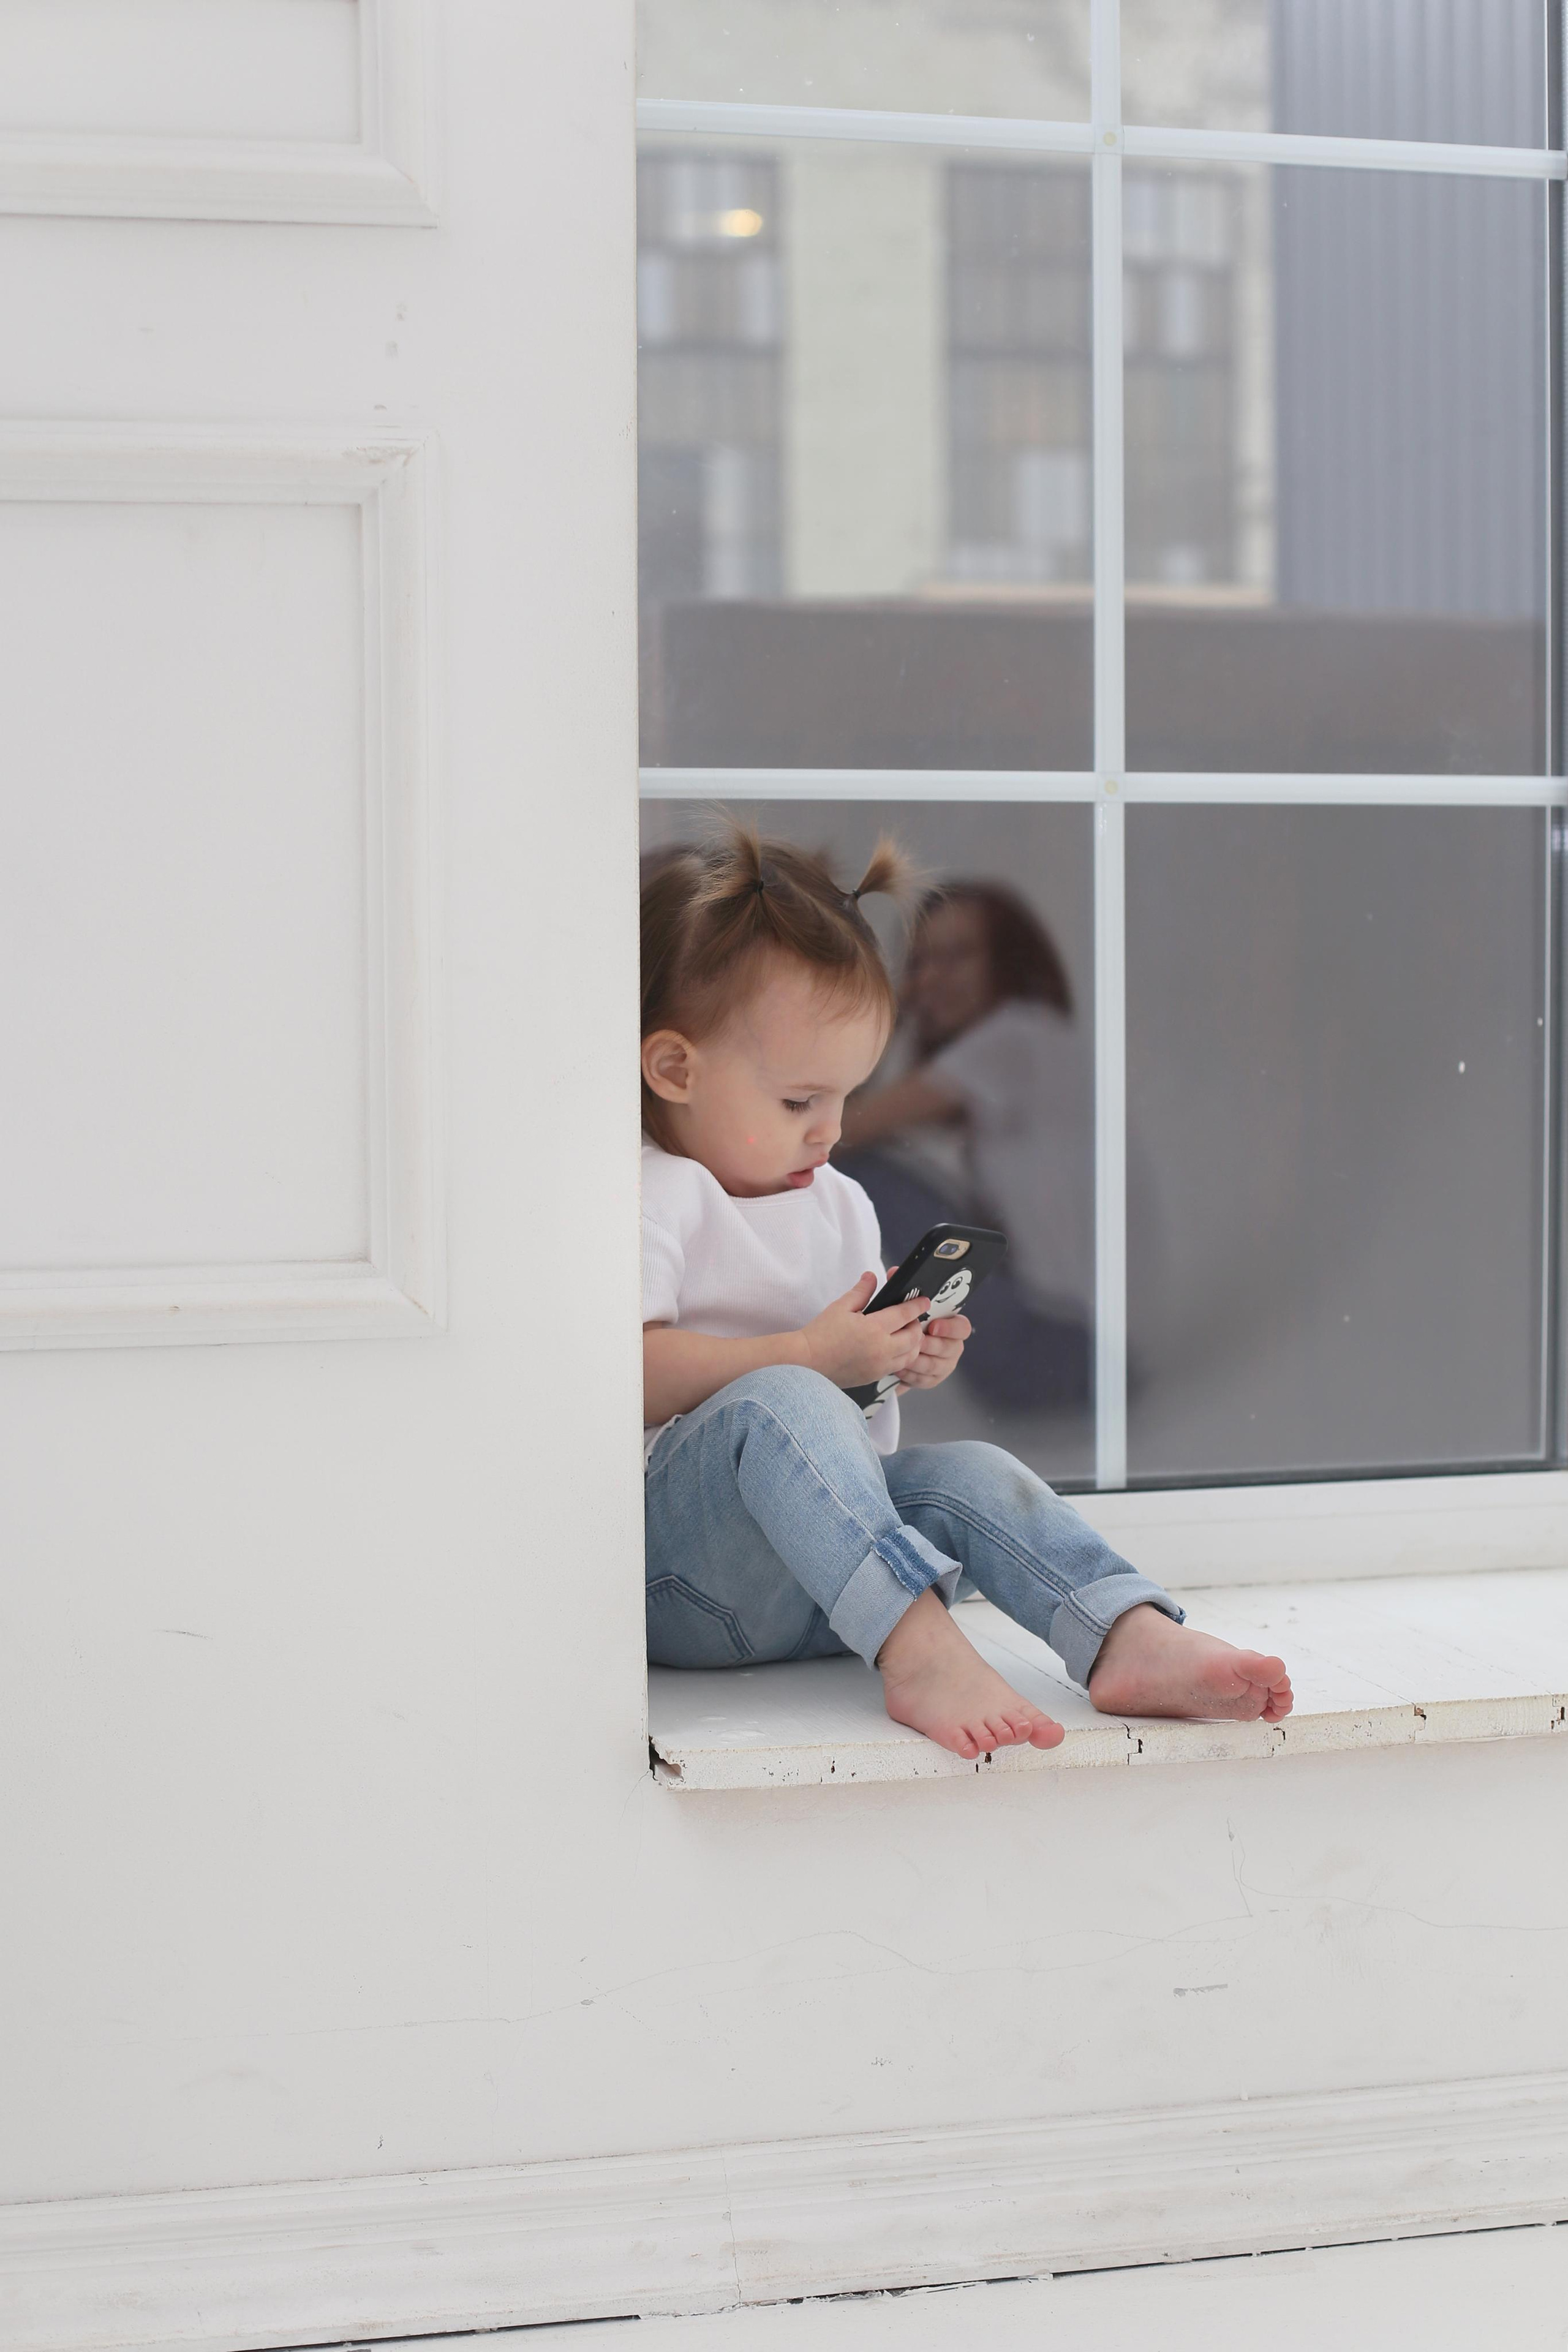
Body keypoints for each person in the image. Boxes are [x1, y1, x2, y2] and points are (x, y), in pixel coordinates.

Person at [639, 824, 1291, 1758]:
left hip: (824, 1588)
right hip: (687, 1587)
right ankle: (921, 1650)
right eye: (797, 1103)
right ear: (675, 1070)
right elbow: (631, 1374)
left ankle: (1120, 1634)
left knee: (970, 1473)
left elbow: (841, 1415)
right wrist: (809, 1359)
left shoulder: (839, 1205)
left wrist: (894, 1362)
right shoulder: (658, 1194)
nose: (831, 1130)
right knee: (777, 1400)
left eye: (846, 1096)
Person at [837, 883, 1096, 1414]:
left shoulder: (1012, 1038)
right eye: (922, 962)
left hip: (1065, 1348)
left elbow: (836, 1130)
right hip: (1084, 1348)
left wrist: (891, 1010)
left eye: (958, 957)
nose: (933, 978)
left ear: (1006, 962)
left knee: (856, 1165)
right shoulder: (1034, 1042)